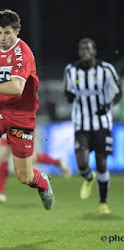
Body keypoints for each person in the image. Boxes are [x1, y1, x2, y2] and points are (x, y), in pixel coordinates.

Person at [0, 9, 55, 210]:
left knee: (25, 176)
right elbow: (8, 77)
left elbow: (17, 87)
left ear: (17, 31)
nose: (2, 37)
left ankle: (43, 183)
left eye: (7, 32)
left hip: (22, 116)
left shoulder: (22, 52)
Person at [64, 38, 122, 214]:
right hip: (81, 124)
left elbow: (118, 93)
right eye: (82, 49)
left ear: (94, 51)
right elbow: (67, 91)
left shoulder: (106, 69)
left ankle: (103, 202)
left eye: (88, 49)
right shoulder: (71, 70)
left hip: (102, 124)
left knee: (102, 164)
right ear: (79, 52)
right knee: (82, 164)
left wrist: (109, 105)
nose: (85, 52)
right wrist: (69, 96)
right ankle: (88, 177)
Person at [0, 135, 72, 203]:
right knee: (3, 156)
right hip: (7, 125)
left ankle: (57, 162)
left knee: (31, 158)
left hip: (20, 126)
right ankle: (0, 192)